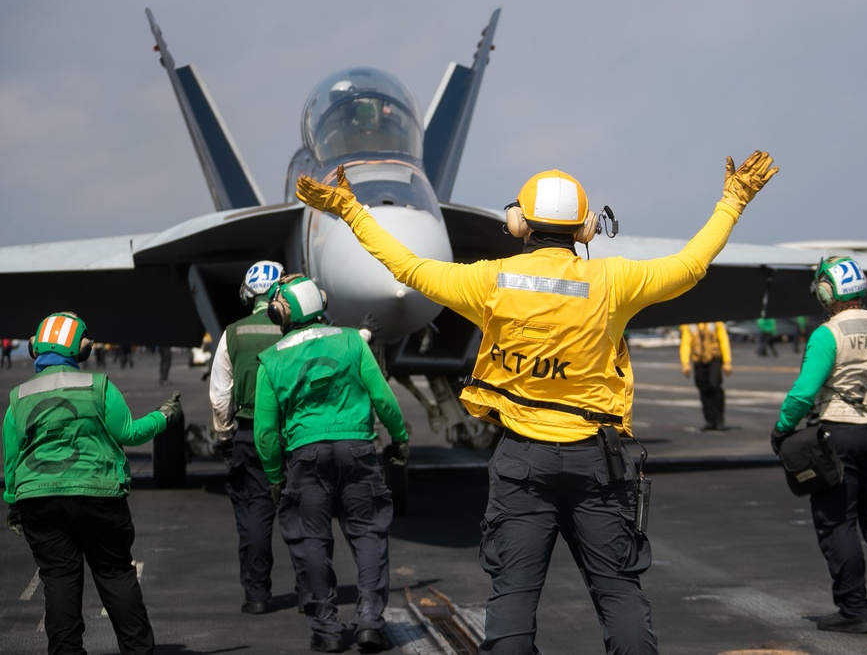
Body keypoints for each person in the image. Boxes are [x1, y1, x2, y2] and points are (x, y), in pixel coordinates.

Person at [296, 151, 778, 653]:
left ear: (519, 223)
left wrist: (351, 210)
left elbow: (407, 268)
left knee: (513, 599)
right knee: (619, 594)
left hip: (522, 462)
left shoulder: (490, 281)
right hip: (600, 463)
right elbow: (692, 263)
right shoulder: (614, 281)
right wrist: (734, 199)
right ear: (586, 228)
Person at [3, 311, 183, 655]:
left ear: (35, 348)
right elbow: (129, 433)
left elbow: (12, 458)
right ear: (81, 350)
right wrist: (163, 416)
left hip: (38, 500)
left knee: (58, 580)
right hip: (98, 495)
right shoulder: (98, 386)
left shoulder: (18, 397)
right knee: (115, 574)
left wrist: (14, 501)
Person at [254, 274, 409, 653]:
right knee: (369, 533)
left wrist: (276, 478)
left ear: (280, 313)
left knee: (310, 541)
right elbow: (384, 399)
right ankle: (370, 621)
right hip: (357, 449)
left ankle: (326, 628)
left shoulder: (272, 360)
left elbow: (265, 433)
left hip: (305, 457)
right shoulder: (353, 342)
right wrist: (400, 439)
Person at [770, 256, 867, 635]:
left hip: (835, 434)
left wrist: (782, 428)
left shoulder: (828, 334)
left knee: (838, 523)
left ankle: (854, 610)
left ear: (827, 291)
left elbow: (804, 393)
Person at [208, 260, 286, 615]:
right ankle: (314, 594)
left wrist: (224, 436)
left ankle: (257, 594)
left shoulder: (232, 333)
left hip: (250, 434)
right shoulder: (295, 329)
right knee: (306, 514)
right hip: (295, 435)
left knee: (255, 515)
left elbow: (221, 395)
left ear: (247, 291)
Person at [679, 321, 732, 431]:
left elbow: (724, 341)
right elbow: (686, 344)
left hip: (714, 359)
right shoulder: (690, 325)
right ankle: (709, 420)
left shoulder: (716, 323)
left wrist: (727, 362)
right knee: (704, 389)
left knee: (714, 386)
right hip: (699, 361)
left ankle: (719, 420)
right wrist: (685, 363)